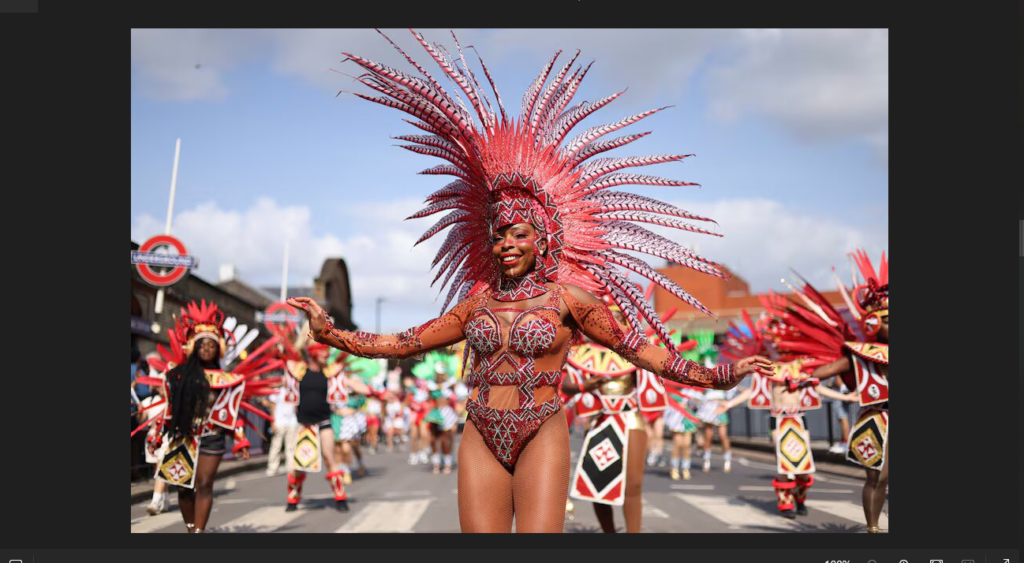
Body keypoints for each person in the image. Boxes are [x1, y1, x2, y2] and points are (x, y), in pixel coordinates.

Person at [289, 30, 773, 533]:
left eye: (518, 234)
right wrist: (332, 334)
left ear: (541, 239)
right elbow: (402, 342)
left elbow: (639, 351)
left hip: (541, 429)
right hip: (480, 430)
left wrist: (718, 375)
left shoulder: (569, 300)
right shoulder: (476, 305)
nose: (505, 244)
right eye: (498, 236)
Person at [766, 251, 889, 532]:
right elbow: (825, 372)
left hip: (800, 422)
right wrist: (804, 378)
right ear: (873, 324)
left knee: (801, 467)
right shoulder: (860, 354)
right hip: (877, 422)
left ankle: (797, 498)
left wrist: (841, 395)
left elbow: (823, 383)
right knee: (877, 479)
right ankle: (872, 529)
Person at [140, 300, 282, 532]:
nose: (206, 348)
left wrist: (240, 439)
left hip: (212, 437)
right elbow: (170, 409)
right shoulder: (177, 376)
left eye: (212, 345)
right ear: (194, 346)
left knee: (205, 484)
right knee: (183, 488)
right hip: (183, 436)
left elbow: (231, 411)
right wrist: (156, 435)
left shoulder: (228, 381)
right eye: (202, 344)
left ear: (219, 349)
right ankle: (191, 528)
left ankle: (198, 533)